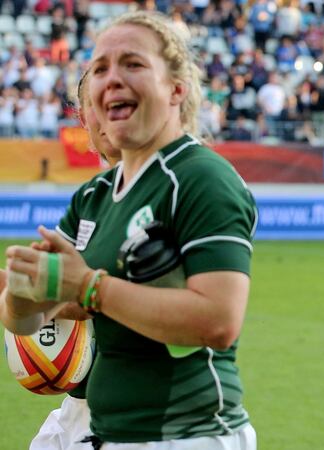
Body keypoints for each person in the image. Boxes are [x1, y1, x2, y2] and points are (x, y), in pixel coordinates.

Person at [4, 11, 257, 449]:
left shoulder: (200, 177)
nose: (112, 78)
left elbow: (218, 320)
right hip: (107, 430)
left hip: (187, 436)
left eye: (133, 64)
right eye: (100, 68)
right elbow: (32, 316)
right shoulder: (96, 195)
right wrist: (20, 293)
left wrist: (87, 287)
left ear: (177, 88)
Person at [0, 69, 121, 450]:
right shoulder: (90, 198)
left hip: (139, 411)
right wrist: (16, 295)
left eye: (117, 103)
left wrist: (74, 295)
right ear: (82, 118)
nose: (104, 117)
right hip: (81, 406)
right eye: (93, 106)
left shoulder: (181, 185)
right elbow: (38, 308)